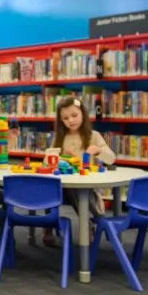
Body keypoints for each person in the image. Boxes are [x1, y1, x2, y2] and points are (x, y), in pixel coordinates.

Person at [43, 96, 116, 246]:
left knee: (76, 189)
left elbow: (112, 159)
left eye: (74, 115)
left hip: (86, 187)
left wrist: (97, 151)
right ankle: (48, 225)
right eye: (65, 118)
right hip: (62, 187)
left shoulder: (93, 136)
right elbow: (46, 160)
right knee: (47, 186)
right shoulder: (59, 137)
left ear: (83, 113)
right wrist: (58, 157)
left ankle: (88, 221)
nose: (71, 120)